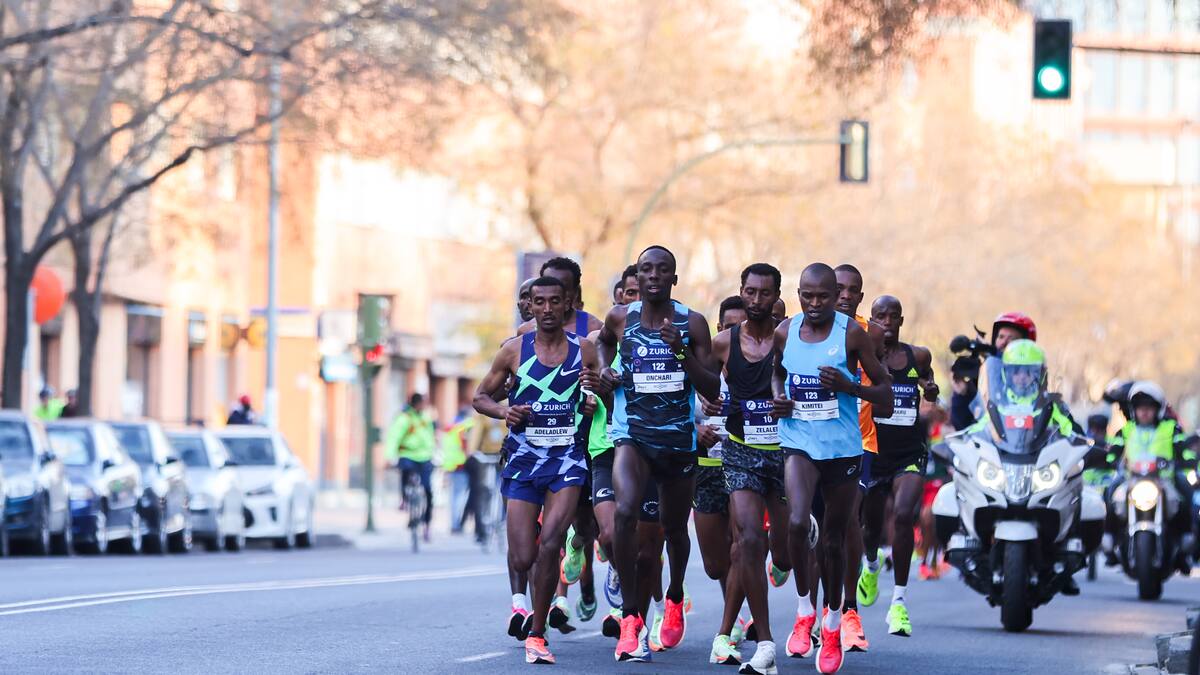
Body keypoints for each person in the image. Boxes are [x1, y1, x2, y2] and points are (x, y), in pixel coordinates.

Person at [597, 245, 720, 662]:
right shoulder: (620, 318)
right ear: (637, 275)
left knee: (674, 529)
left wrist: (681, 351)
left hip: (678, 441)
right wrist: (606, 369)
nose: (653, 276)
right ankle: (631, 617)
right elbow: (603, 344)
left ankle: (675, 594)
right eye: (646, 269)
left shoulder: (692, 322)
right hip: (632, 434)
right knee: (625, 512)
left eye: (662, 270)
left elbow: (712, 387)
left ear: (673, 279)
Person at [473, 275, 602, 666]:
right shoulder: (514, 350)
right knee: (523, 555)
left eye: (554, 301)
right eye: (539, 302)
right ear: (530, 306)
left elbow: (602, 396)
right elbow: (480, 396)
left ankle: (538, 633)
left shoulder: (584, 350)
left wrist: (594, 399)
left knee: (551, 542)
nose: (546, 309)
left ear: (568, 305)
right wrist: (504, 411)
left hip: (567, 460)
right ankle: (529, 607)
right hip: (524, 460)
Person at [772, 263, 892, 674]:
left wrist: (849, 387)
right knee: (796, 521)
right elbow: (777, 373)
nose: (815, 303)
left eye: (823, 296)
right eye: (807, 296)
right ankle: (805, 610)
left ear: (835, 296)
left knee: (834, 541)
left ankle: (834, 620)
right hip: (798, 442)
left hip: (842, 449)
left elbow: (886, 394)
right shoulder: (786, 331)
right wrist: (779, 397)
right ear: (798, 294)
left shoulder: (852, 334)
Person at [704, 264, 795, 673]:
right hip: (741, 450)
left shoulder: (791, 338)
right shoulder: (724, 342)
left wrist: (790, 402)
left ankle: (801, 532)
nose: (757, 300)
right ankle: (765, 642)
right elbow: (703, 385)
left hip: (786, 452)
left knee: (784, 554)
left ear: (777, 297)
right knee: (749, 540)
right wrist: (706, 401)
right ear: (742, 291)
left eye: (765, 293)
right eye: (750, 292)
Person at [857, 295, 940, 637]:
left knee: (905, 515)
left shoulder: (917, 356)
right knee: (870, 528)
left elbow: (927, 381)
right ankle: (872, 564)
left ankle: (899, 603)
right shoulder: (862, 354)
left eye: (893, 316)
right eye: (880, 316)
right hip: (873, 452)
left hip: (909, 451)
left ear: (901, 321)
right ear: (871, 319)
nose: (887, 322)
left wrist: (930, 390)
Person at [694, 294, 752, 666]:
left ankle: (729, 626)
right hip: (706, 467)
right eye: (728, 326)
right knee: (716, 564)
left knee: (741, 547)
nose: (733, 332)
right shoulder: (702, 367)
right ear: (718, 329)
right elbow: (675, 407)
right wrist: (696, 429)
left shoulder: (757, 365)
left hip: (743, 465)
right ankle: (736, 603)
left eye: (740, 326)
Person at [829, 263, 881, 654]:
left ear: (861, 296)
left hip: (861, 442)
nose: (846, 295)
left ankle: (849, 611)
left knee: (847, 519)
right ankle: (817, 612)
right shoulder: (803, 329)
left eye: (853, 290)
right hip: (815, 441)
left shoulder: (870, 334)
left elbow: (886, 384)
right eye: (840, 288)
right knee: (817, 529)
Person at [1103, 381, 1196, 571]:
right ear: (1134, 410)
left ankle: (1185, 548)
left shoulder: (1171, 428)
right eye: (1140, 408)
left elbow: (1184, 451)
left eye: (1149, 408)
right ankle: (1109, 540)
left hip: (1164, 480)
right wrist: (1106, 459)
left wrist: (1188, 459)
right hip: (1131, 479)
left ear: (1158, 410)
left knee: (1186, 493)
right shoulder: (1126, 430)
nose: (1144, 412)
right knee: (1110, 491)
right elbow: (1112, 454)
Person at [386, 393, 437, 542]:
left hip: (425, 456)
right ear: (416, 404)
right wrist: (390, 456)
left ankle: (426, 525)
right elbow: (394, 437)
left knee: (428, 491)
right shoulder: (404, 418)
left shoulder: (426, 417)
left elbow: (430, 436)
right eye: (422, 403)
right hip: (407, 454)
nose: (424, 406)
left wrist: (435, 453)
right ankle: (405, 498)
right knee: (406, 470)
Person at [518, 257, 603, 338]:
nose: (553, 293)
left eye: (562, 288)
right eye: (548, 286)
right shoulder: (526, 331)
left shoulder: (594, 329)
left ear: (575, 292)